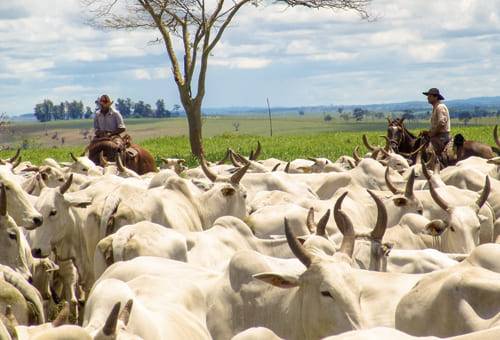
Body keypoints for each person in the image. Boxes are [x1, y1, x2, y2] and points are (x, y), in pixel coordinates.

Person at [423, 88, 450, 157]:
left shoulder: (440, 107)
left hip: (441, 136)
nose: (427, 98)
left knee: (428, 151)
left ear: (436, 97)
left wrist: (432, 133)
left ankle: (432, 166)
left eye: (430, 96)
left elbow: (441, 123)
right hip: (438, 135)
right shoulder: (436, 107)